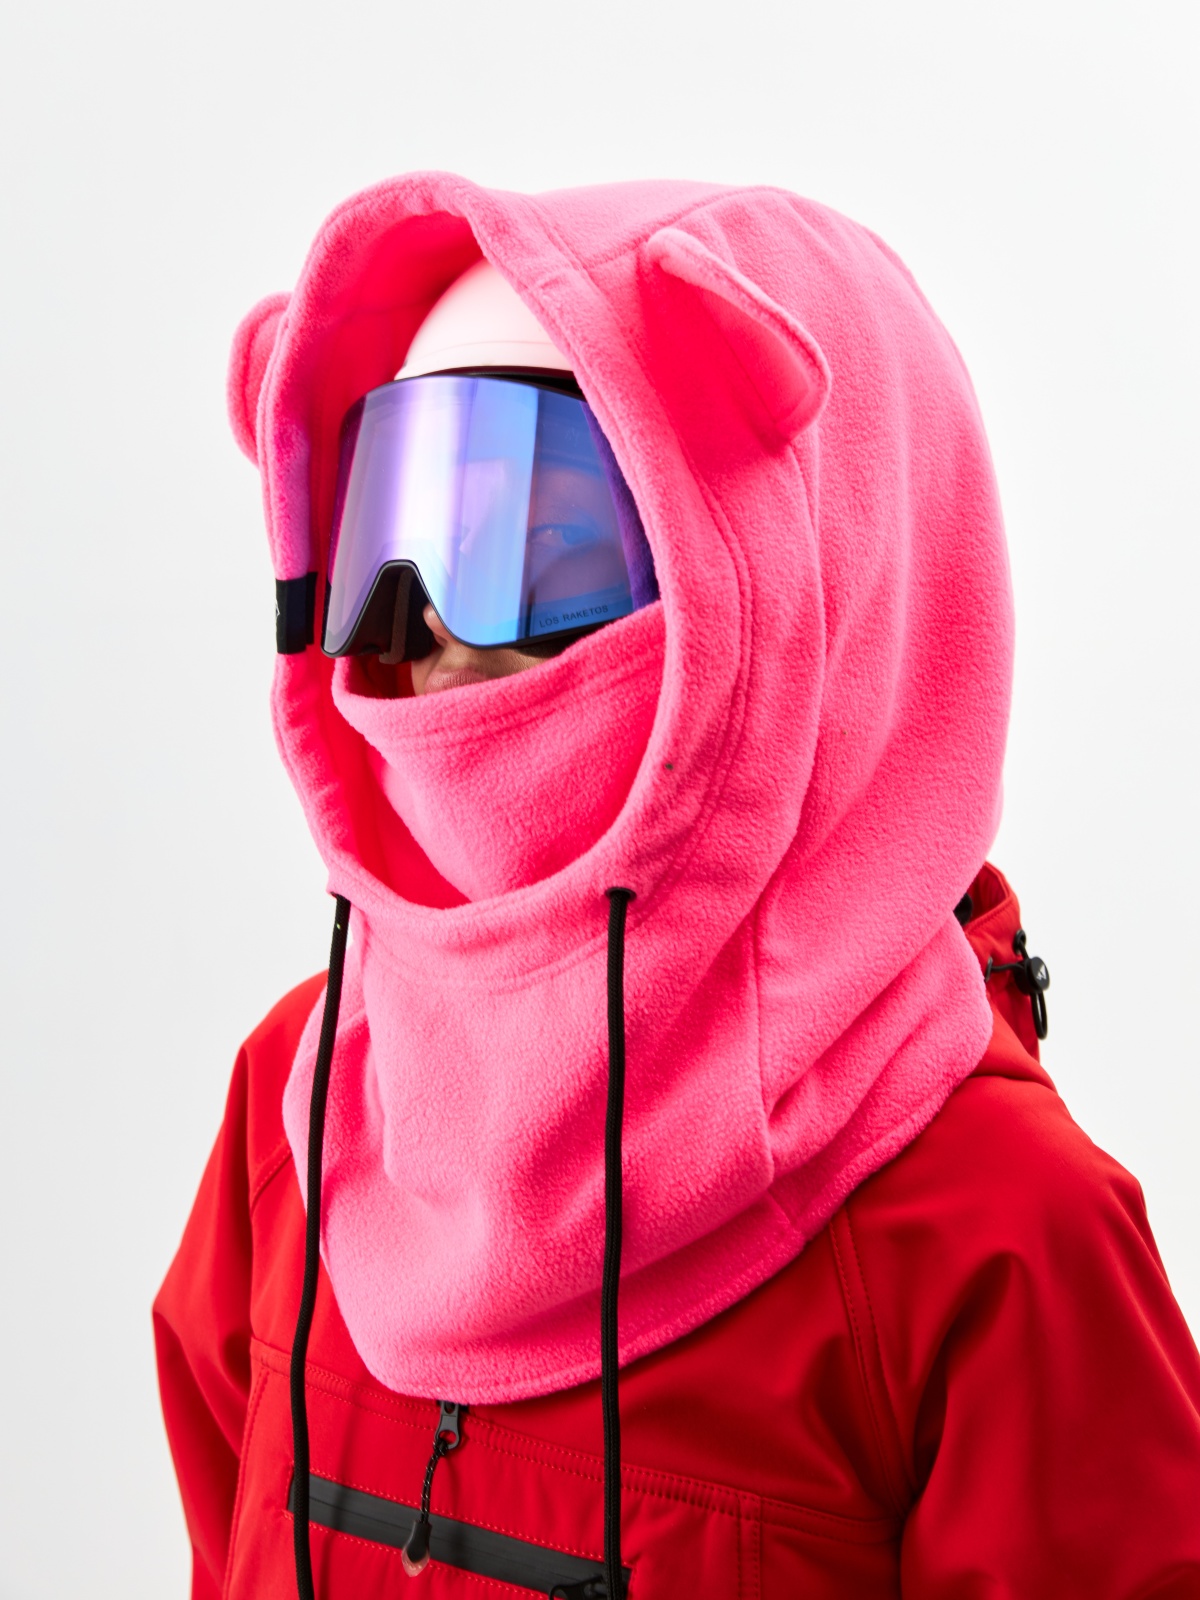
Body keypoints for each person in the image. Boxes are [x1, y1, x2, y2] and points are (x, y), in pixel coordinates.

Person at [154, 174, 1200, 1600]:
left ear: (808, 583)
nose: (430, 640)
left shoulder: (992, 1236)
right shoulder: (312, 1103)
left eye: (537, 542)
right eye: (393, 540)